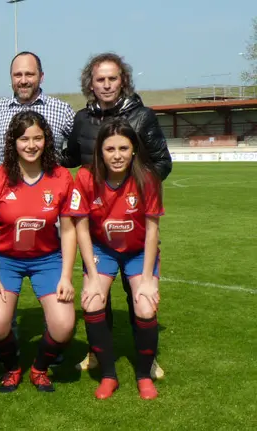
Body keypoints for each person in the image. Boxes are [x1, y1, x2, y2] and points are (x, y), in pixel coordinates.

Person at [61, 52, 170, 377]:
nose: (106, 85)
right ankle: (97, 354)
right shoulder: (82, 120)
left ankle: (147, 359)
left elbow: (162, 162)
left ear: (123, 81)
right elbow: (69, 157)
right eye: (100, 79)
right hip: (94, 226)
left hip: (131, 219)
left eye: (112, 78)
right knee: (97, 295)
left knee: (137, 292)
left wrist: (129, 193)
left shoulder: (143, 117)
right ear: (90, 84)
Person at [67, 118, 163, 400]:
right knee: (93, 300)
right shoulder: (85, 177)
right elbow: (81, 228)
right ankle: (109, 375)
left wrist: (147, 280)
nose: (117, 155)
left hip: (138, 252)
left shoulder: (147, 178)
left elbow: (153, 231)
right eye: (110, 149)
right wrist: (93, 277)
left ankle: (144, 375)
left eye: (123, 148)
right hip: (102, 250)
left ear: (134, 149)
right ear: (100, 151)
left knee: (145, 306)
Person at [0, 111, 77, 393]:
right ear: (13, 142)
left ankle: (39, 369)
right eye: (24, 138)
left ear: (46, 141)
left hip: (47, 260)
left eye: (38, 138)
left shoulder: (61, 177)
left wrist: (66, 276)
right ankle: (12, 368)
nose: (31, 144)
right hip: (6, 261)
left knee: (64, 325)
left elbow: (70, 230)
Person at [0, 51, 74, 167]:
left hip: (47, 184)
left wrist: (60, 162)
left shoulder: (62, 110)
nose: (23, 81)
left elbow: (81, 145)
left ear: (41, 77)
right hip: (5, 184)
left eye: (29, 74)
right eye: (18, 75)